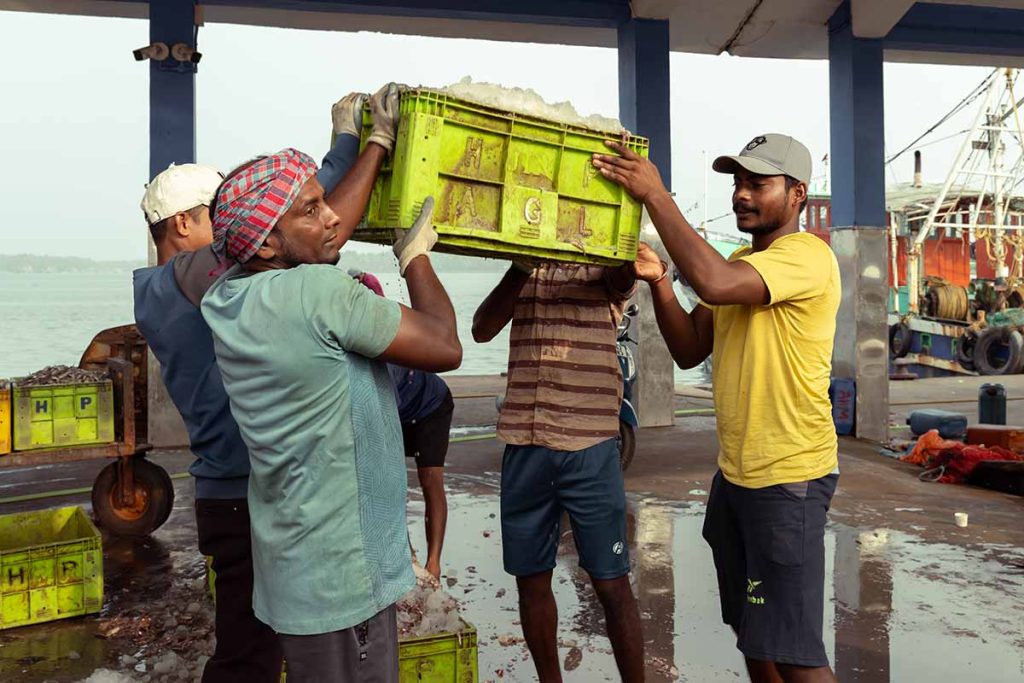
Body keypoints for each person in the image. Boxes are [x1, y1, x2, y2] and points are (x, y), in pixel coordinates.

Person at [200, 100, 461, 683]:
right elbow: (445, 345)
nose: (333, 220)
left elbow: (297, 232)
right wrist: (414, 257)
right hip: (347, 576)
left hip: (296, 569)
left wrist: (373, 145)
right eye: (313, 209)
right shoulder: (318, 293)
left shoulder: (228, 296)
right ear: (267, 245)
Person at [132, 89, 383, 683]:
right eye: (216, 216)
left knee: (258, 648)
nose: (230, 226)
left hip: (230, 491)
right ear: (184, 224)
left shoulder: (156, 292)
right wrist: (362, 142)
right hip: (253, 495)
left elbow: (290, 218)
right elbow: (284, 228)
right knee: (249, 657)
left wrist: (340, 149)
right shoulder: (190, 280)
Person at [593, 134, 841, 683]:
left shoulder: (807, 257)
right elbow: (688, 349)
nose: (741, 194)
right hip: (737, 478)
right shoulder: (738, 261)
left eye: (758, 183)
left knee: (797, 653)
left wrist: (658, 197)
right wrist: (659, 281)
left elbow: (712, 280)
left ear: (798, 194)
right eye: (737, 182)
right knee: (755, 634)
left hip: (789, 481)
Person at [471, 254, 659, 683]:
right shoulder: (525, 267)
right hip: (524, 439)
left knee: (611, 583)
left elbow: (621, 276)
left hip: (588, 444)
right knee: (530, 579)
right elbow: (481, 330)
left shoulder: (603, 262)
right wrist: (520, 266)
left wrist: (632, 264)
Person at [347, 269, 454, 581]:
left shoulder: (388, 347)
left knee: (430, 480)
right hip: (397, 409)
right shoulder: (349, 345)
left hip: (430, 407)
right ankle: (406, 558)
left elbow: (381, 428)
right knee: (384, 481)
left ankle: (432, 564)